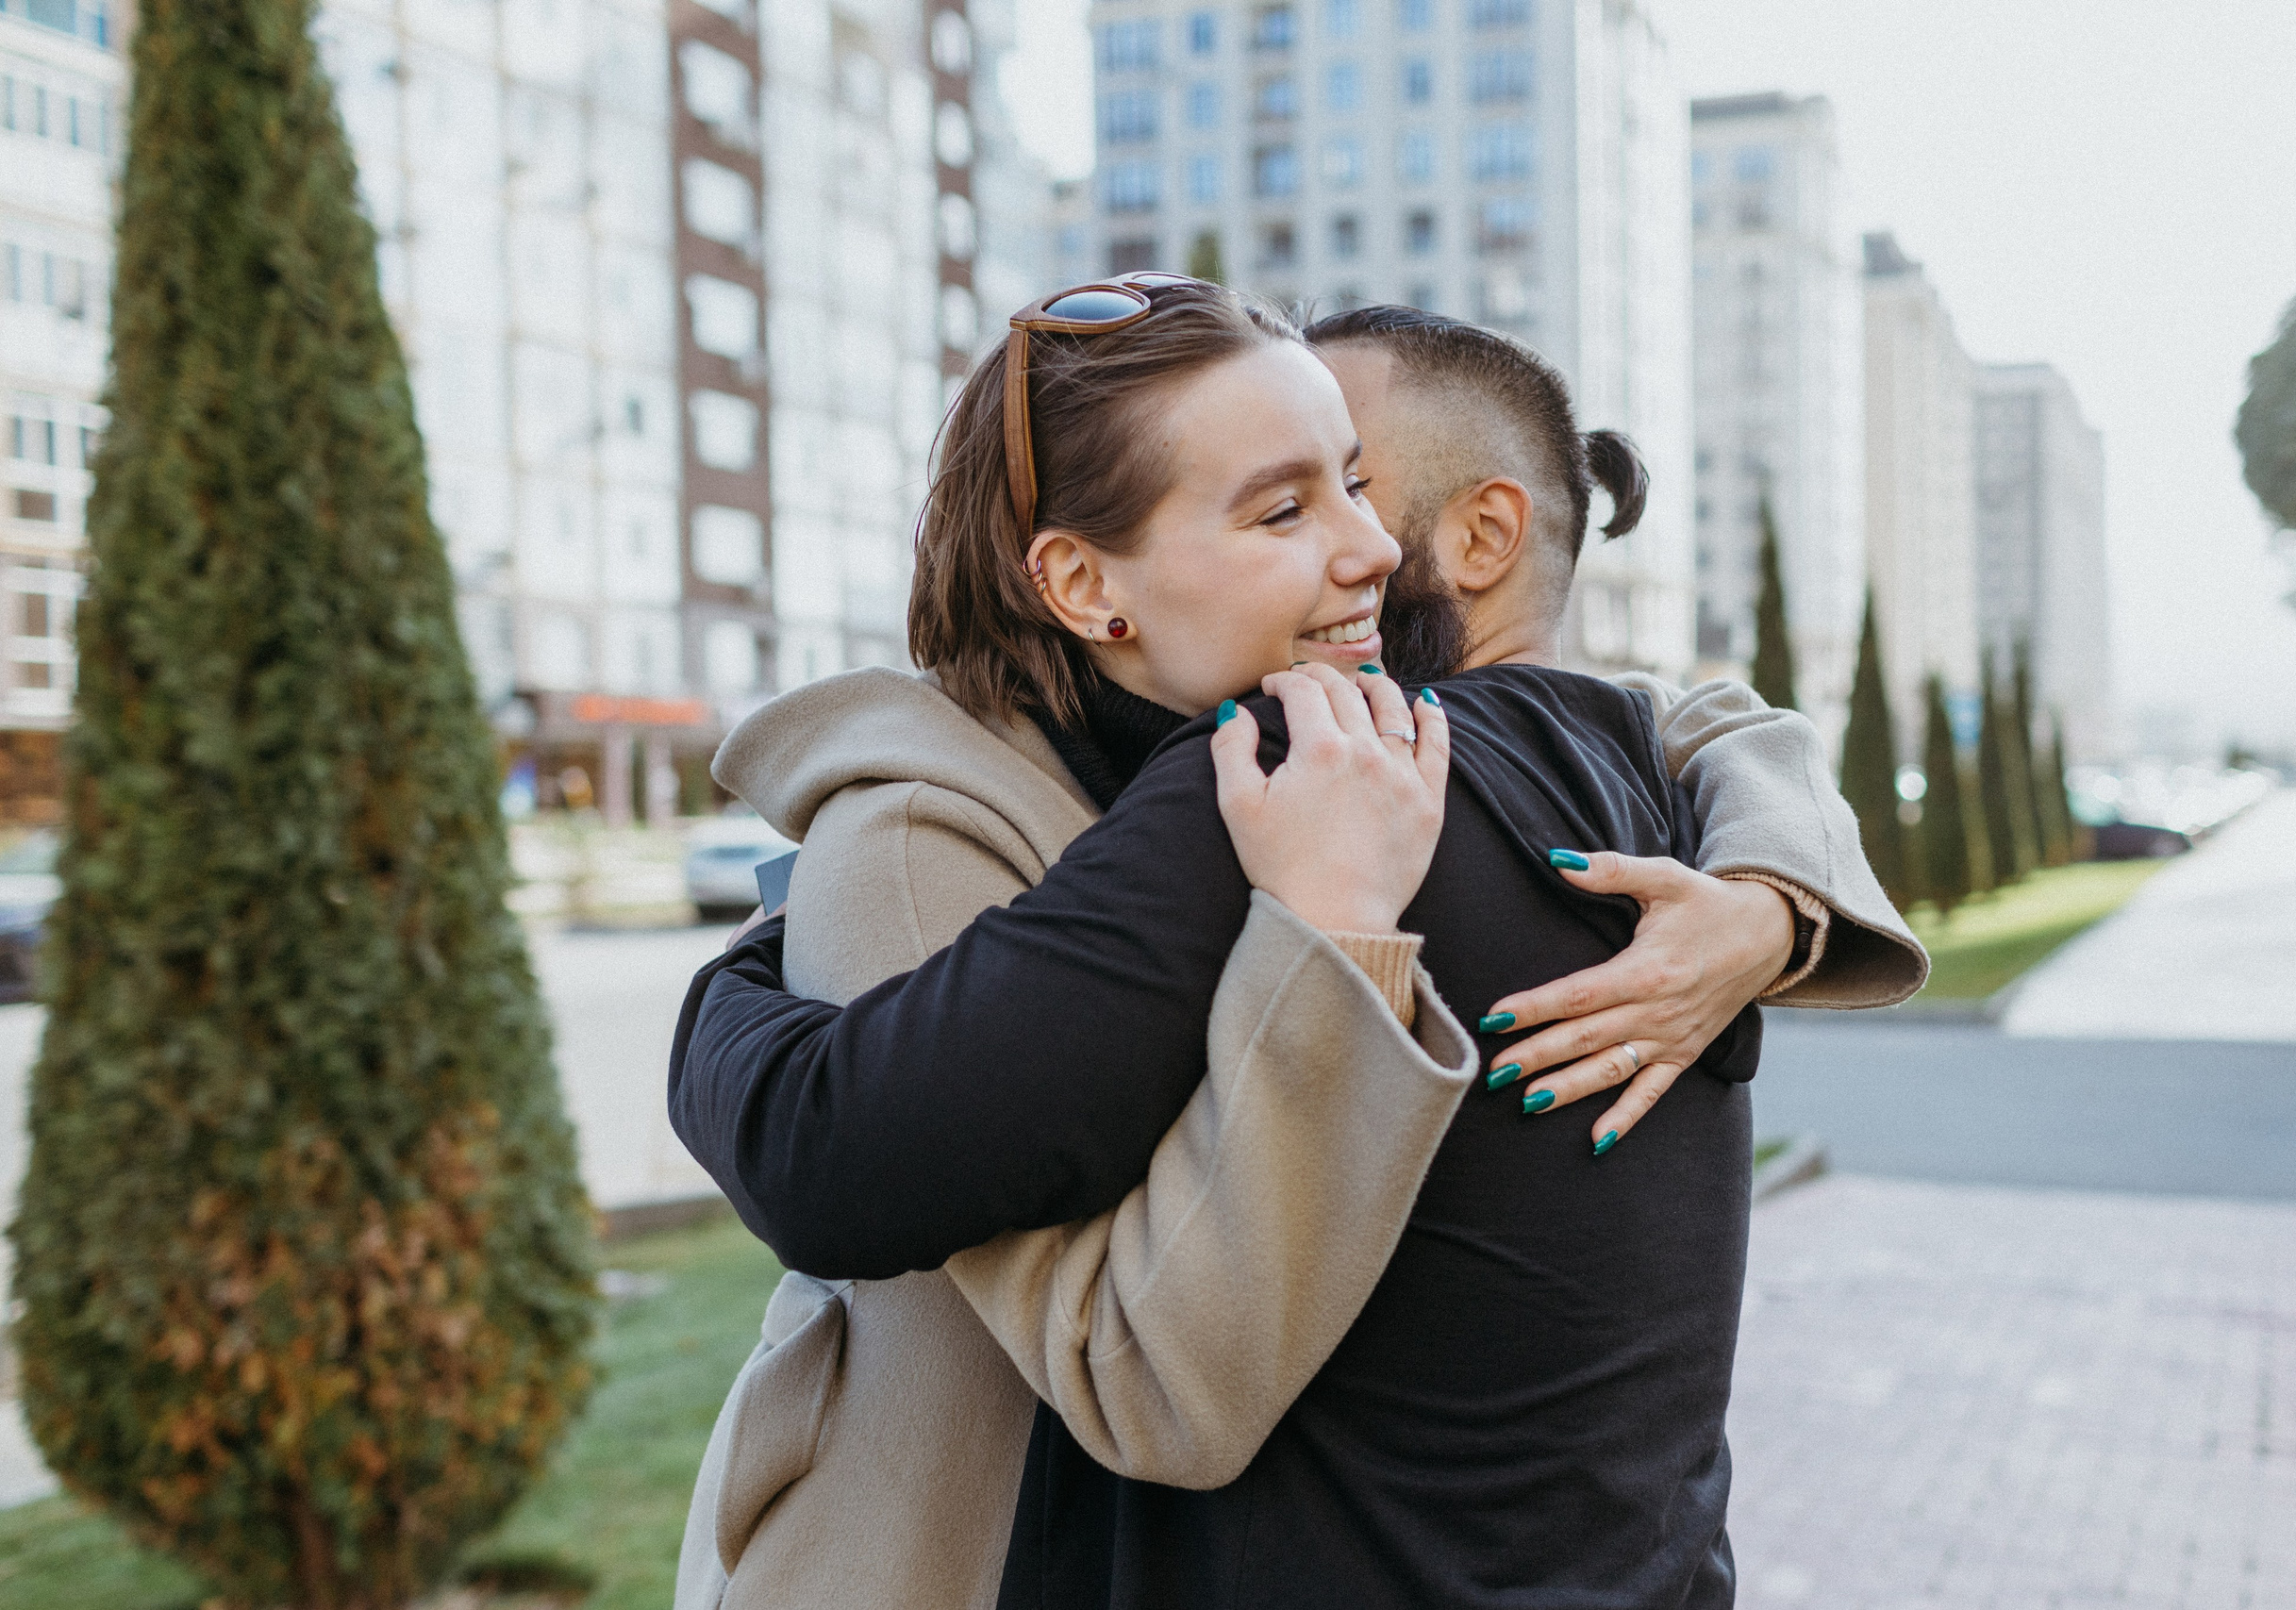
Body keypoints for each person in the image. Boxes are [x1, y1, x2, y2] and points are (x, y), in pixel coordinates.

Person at [670, 284, 1923, 1606]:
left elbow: (1691, 713)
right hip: (927, 1558)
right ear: (1083, 583)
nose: (1372, 547)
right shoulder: (934, 829)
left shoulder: (1323, 743)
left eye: (1356, 484)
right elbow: (869, 1177)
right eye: (1288, 506)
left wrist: (1773, 899)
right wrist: (741, 984)